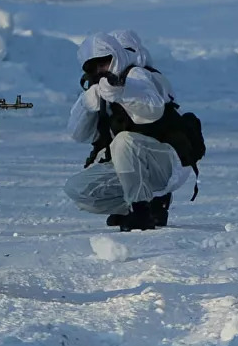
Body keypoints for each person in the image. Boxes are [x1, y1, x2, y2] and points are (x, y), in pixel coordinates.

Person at [64, 31, 189, 231]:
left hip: (168, 162)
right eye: (96, 66)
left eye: (105, 61)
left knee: (124, 141)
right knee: (78, 190)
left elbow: (152, 110)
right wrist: (87, 104)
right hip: (136, 165)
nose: (101, 69)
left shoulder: (139, 76)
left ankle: (141, 211)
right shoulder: (101, 88)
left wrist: (123, 94)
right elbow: (79, 135)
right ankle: (143, 205)